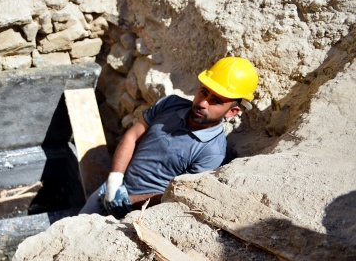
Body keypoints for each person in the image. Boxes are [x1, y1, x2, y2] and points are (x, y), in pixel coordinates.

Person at [80, 56, 259, 218]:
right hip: (113, 187)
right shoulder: (170, 104)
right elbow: (133, 136)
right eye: (204, 92)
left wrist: (130, 201)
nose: (203, 103)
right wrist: (114, 182)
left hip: (142, 212)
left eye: (216, 101)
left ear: (232, 112)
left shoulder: (213, 152)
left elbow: (177, 194)